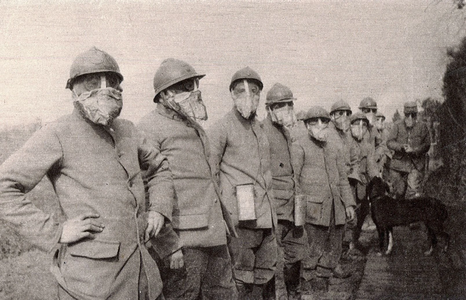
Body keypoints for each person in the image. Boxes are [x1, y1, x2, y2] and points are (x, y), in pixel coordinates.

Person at [0, 47, 173, 300]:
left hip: (143, 279)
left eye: (112, 82)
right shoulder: (57, 133)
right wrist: (55, 232)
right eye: (93, 83)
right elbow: (4, 187)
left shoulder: (127, 130)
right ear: (74, 90)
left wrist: (159, 208)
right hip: (90, 285)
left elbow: (159, 168)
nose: (105, 90)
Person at [137, 58, 237, 300]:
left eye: (193, 84)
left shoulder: (193, 126)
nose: (193, 91)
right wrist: (169, 245)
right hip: (182, 243)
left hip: (214, 236)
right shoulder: (148, 129)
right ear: (164, 94)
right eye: (185, 87)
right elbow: (149, 192)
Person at [208, 67, 277, 299]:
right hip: (240, 219)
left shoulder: (260, 128)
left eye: (254, 91)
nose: (249, 96)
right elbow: (211, 172)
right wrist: (223, 214)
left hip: (266, 217)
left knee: (265, 272)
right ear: (231, 94)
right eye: (241, 91)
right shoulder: (221, 128)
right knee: (242, 276)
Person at [291, 106, 356, 293]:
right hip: (313, 214)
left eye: (324, 122)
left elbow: (343, 179)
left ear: (329, 124)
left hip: (336, 211)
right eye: (314, 122)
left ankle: (322, 288)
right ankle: (307, 292)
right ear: (307, 126)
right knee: (311, 254)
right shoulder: (299, 146)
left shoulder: (334, 148)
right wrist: (299, 214)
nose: (320, 126)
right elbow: (294, 180)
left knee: (333, 253)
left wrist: (349, 204)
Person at [262, 83, 307, 299]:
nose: (286, 109)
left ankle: (294, 295)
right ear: (269, 109)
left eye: (288, 104)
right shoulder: (262, 133)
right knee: (270, 262)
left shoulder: (288, 133)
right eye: (279, 105)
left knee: (295, 255)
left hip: (293, 207)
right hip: (274, 211)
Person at [346, 112, 379, 250]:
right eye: (356, 124)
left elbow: (371, 166)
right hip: (347, 184)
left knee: (363, 211)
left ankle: (355, 239)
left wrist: (377, 179)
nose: (360, 128)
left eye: (364, 125)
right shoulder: (344, 142)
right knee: (349, 214)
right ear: (350, 126)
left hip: (362, 184)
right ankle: (347, 244)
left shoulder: (368, 145)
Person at [387, 101, 431, 199]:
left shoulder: (422, 127)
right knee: (398, 193)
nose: (410, 117)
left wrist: (414, 150)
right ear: (404, 114)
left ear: (416, 115)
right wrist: (401, 147)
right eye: (408, 115)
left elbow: (427, 144)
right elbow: (389, 142)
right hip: (398, 166)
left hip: (415, 166)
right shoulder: (397, 125)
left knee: (413, 194)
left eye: (413, 115)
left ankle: (412, 213)